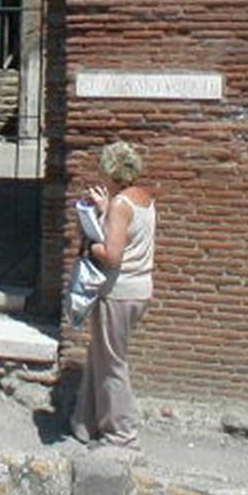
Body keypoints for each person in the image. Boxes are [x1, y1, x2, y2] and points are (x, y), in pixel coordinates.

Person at [70, 140, 156, 449]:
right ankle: (86, 422)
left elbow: (113, 256)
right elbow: (130, 233)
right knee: (100, 354)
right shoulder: (142, 198)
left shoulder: (120, 206)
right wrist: (105, 210)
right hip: (140, 289)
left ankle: (121, 432)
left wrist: (89, 245)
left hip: (118, 292)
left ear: (110, 171)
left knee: (112, 363)